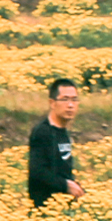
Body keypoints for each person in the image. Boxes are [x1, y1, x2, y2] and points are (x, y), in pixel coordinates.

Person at [28, 78, 85, 207]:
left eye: (74, 100)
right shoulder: (42, 132)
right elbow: (37, 172)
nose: (70, 105)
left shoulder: (63, 132)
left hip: (63, 206)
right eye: (65, 99)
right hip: (46, 209)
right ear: (52, 103)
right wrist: (66, 185)